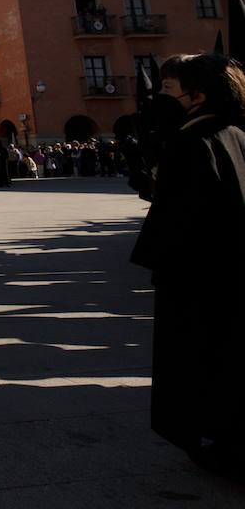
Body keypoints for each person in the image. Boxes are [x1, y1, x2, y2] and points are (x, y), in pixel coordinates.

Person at [130, 53, 245, 477]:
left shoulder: (191, 142)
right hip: (229, 273)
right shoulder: (235, 134)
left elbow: (177, 218)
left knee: (200, 363)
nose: (161, 97)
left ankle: (217, 442)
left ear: (196, 95)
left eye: (167, 91)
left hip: (198, 278)